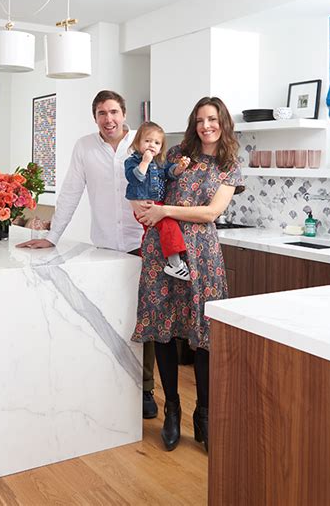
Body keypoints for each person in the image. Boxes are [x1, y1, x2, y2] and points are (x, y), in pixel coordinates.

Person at [16, 90, 159, 419]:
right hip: (106, 246)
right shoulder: (84, 147)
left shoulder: (143, 141)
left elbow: (162, 182)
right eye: (101, 114)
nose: (108, 119)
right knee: (109, 313)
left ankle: (146, 389)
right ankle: (110, 382)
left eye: (113, 112)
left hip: (144, 242)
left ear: (124, 114)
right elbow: (70, 192)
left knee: (145, 317)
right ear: (94, 117)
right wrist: (52, 237)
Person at [131, 96, 244, 452]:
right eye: (199, 120)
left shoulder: (230, 166)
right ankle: (172, 412)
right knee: (163, 331)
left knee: (203, 335)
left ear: (223, 123)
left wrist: (164, 210)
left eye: (212, 119)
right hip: (162, 249)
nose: (206, 126)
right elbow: (149, 178)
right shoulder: (180, 152)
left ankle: (205, 414)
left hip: (202, 255)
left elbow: (210, 213)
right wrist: (145, 203)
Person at [124, 121, 191, 281]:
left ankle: (144, 256)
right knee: (169, 224)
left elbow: (169, 172)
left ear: (161, 147)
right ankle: (175, 264)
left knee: (150, 233)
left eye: (156, 142)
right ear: (137, 143)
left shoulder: (160, 163)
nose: (151, 145)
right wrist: (145, 162)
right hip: (144, 206)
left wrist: (179, 168)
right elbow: (134, 178)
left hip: (157, 205)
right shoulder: (132, 161)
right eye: (147, 141)